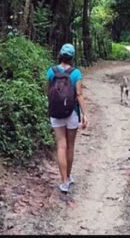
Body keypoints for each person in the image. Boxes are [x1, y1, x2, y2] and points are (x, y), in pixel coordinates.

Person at [46, 43, 88, 193]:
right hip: (72, 113)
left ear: (60, 55)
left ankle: (63, 181)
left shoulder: (51, 71)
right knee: (70, 146)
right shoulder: (76, 73)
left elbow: (48, 92)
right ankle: (68, 177)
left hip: (55, 112)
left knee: (60, 145)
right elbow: (79, 95)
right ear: (72, 57)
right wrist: (84, 114)